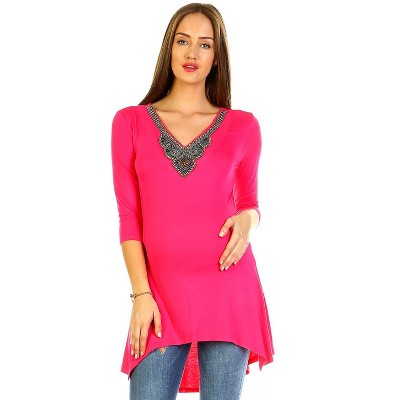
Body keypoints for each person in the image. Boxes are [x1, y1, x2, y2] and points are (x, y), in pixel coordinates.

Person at [111, 3, 274, 399]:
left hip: (227, 290)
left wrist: (248, 220)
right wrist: (141, 294)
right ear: (169, 47)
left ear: (217, 57)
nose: (192, 53)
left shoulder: (243, 126)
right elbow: (129, 216)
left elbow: (250, 203)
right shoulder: (130, 122)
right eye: (183, 41)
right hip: (160, 294)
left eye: (205, 44)